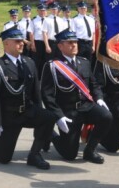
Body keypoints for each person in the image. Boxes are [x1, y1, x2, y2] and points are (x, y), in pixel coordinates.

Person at [0, 27, 56, 170]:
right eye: (17, 41)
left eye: (21, 40)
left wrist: (40, 117)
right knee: (4, 158)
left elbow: (36, 93)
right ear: (6, 44)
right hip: (9, 116)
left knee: (49, 117)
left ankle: (34, 155)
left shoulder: (29, 63)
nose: (21, 43)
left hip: (27, 111)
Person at [40, 29, 113, 164]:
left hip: (86, 107)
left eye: (75, 42)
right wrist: (59, 116)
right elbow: (47, 94)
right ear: (60, 46)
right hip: (69, 111)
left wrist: (99, 98)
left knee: (106, 116)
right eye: (70, 42)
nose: (74, 45)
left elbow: (94, 84)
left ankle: (90, 150)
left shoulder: (84, 62)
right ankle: (50, 134)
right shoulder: (52, 66)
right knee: (69, 154)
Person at [31, 4, 48, 75]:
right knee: (37, 61)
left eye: (44, 10)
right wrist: (33, 44)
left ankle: (45, 76)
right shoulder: (34, 20)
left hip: (47, 43)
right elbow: (31, 33)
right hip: (38, 43)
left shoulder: (49, 20)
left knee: (46, 60)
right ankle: (36, 77)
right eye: (41, 11)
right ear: (37, 11)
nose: (42, 12)